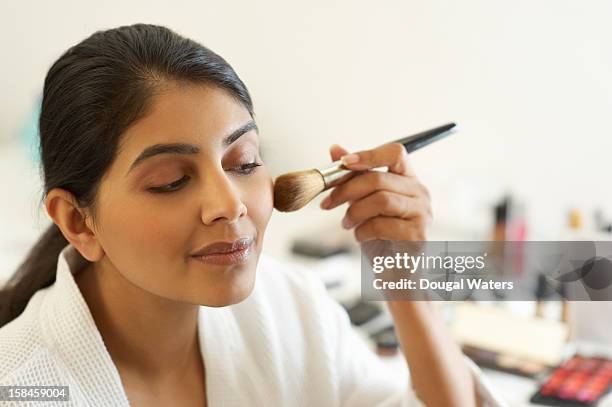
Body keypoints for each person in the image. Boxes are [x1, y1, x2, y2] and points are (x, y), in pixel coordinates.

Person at [0, 24, 503, 406]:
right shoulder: (22, 386)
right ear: (78, 221)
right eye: (170, 181)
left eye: (244, 163)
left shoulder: (290, 309)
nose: (231, 204)